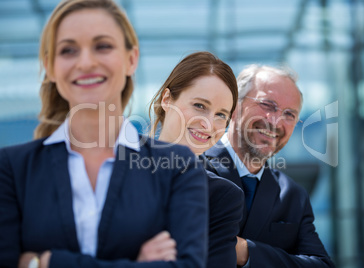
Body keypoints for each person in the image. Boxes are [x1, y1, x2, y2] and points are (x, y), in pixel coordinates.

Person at [0, 0, 208, 267]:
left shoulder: (179, 165)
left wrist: (47, 263)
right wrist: (137, 263)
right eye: (69, 50)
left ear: (131, 60)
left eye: (103, 46)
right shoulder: (11, 169)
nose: (86, 62)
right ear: (50, 67)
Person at [203, 65, 336, 267]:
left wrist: (247, 253)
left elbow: (322, 265)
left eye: (289, 114)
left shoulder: (293, 195)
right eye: (267, 105)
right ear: (234, 105)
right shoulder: (192, 170)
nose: (276, 121)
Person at [149, 51, 244, 268]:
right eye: (200, 106)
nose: (209, 125)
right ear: (166, 99)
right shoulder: (115, 165)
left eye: (221, 115)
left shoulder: (223, 197)